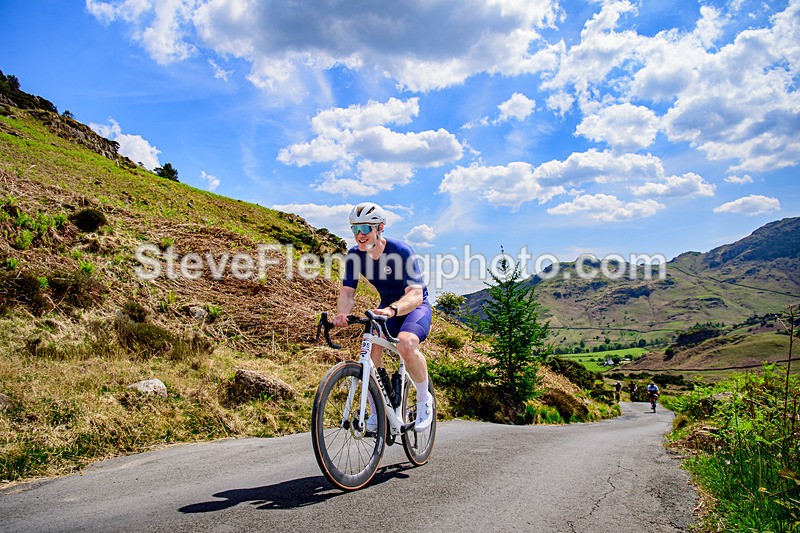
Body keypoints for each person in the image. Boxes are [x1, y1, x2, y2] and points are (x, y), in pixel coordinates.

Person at [333, 202, 433, 433]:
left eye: (366, 228)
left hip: (414, 306)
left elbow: (415, 294)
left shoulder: (400, 251)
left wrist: (393, 310)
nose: (360, 235)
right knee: (369, 351)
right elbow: (348, 292)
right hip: (386, 308)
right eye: (355, 229)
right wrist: (342, 314)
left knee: (407, 344)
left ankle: (422, 400)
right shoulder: (355, 256)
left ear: (380, 228)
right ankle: (378, 411)